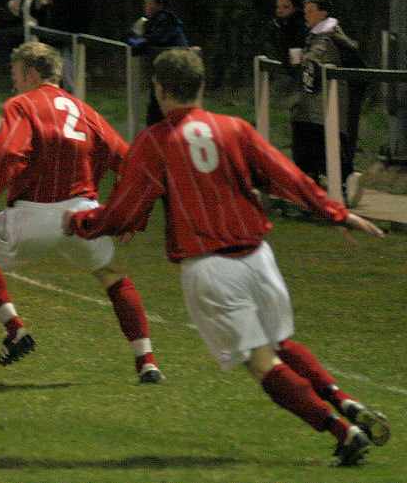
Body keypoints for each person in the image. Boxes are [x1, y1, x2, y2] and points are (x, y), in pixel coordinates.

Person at [65, 48, 390, 466]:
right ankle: (343, 401)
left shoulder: (154, 142)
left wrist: (83, 224)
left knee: (261, 363)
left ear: (159, 89)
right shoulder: (235, 128)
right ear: (201, 87)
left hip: (210, 268)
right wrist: (337, 213)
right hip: (259, 258)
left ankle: (343, 432)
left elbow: (125, 210)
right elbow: (287, 176)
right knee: (279, 343)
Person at [0, 42, 163, 384]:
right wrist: (128, 216)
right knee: (112, 275)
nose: (14, 85)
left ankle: (15, 330)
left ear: (31, 74)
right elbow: (131, 163)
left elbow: (7, 154)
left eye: (16, 75)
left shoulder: (22, 104)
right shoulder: (85, 111)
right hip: (84, 217)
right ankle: (147, 362)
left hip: (34, 217)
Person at [291, 0, 365, 207]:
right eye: (305, 11)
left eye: (311, 11)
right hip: (318, 103)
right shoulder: (318, 34)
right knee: (318, 140)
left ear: (323, 13)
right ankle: (335, 182)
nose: (306, 15)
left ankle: (344, 182)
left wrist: (302, 60)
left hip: (327, 103)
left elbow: (318, 57)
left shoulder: (326, 36)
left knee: (326, 141)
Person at [121, 0, 189, 126]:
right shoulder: (154, 21)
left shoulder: (167, 20)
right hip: (163, 74)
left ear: (158, 5)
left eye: (147, 3)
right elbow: (142, 41)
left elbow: (148, 42)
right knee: (155, 112)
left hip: (174, 74)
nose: (145, 6)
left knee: (163, 114)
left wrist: (132, 38)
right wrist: (132, 36)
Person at [36, 0, 92, 93]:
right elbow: (37, 11)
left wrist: (75, 32)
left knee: (69, 79)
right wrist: (39, 3)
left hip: (68, 38)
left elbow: (84, 11)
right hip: (49, 37)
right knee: (48, 79)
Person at [263, 0, 308, 71]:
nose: (280, 10)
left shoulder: (303, 27)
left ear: (295, 8)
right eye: (278, 7)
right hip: (279, 70)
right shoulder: (274, 27)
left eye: (285, 7)